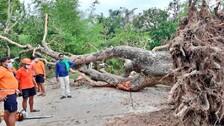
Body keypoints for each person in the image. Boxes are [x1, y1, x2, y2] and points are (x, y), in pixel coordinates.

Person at [0, 56, 18, 126]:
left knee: (7, 113)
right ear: (3, 63)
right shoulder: (1, 70)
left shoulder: (8, 69)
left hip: (12, 93)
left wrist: (15, 88)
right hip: (8, 94)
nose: (10, 63)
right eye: (8, 62)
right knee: (13, 113)